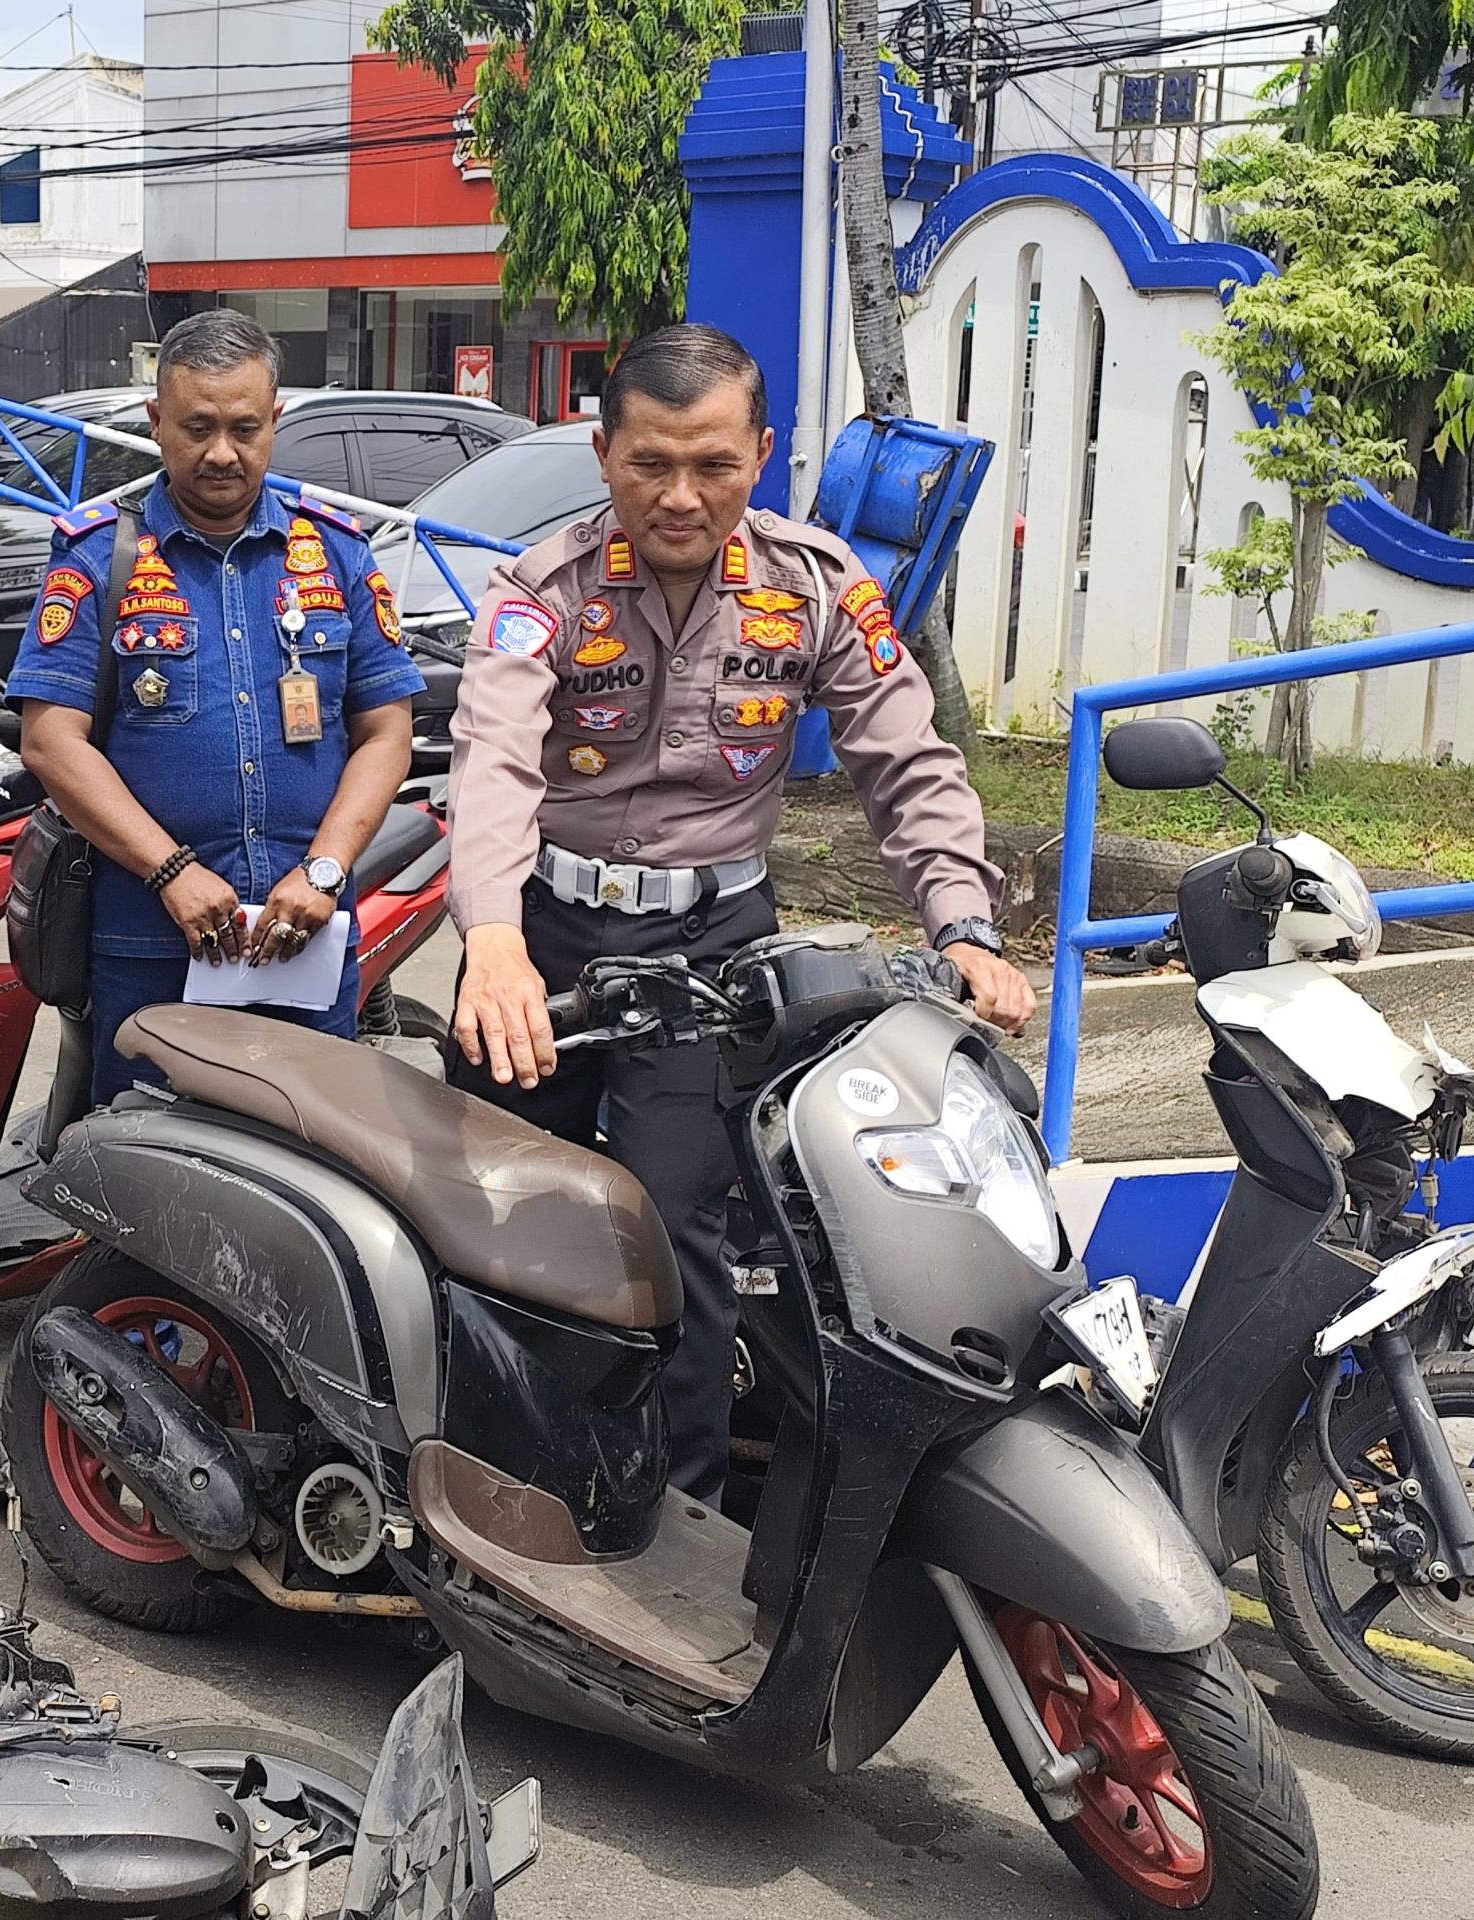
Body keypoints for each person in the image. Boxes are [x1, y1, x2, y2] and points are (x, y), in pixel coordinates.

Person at [443, 323, 1035, 1505]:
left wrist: (962, 925)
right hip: (540, 939)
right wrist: (492, 939)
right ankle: (484, 1481)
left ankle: (681, 1513)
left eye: (713, 464)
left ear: (760, 455)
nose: (680, 496)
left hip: (708, 952)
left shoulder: (813, 588)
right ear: (603, 455)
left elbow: (905, 761)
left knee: (677, 1228)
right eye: (650, 463)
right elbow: (493, 760)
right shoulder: (542, 591)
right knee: (493, 1216)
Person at [7, 310, 423, 1100]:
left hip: (305, 937)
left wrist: (324, 871)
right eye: (197, 427)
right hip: (150, 944)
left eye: (245, 428)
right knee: (145, 1150)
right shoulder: (99, 558)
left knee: (313, 1138)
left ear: (276, 420)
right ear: (155, 420)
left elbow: (385, 731)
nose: (222, 452)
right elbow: (51, 741)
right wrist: (170, 871)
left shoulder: (336, 552)